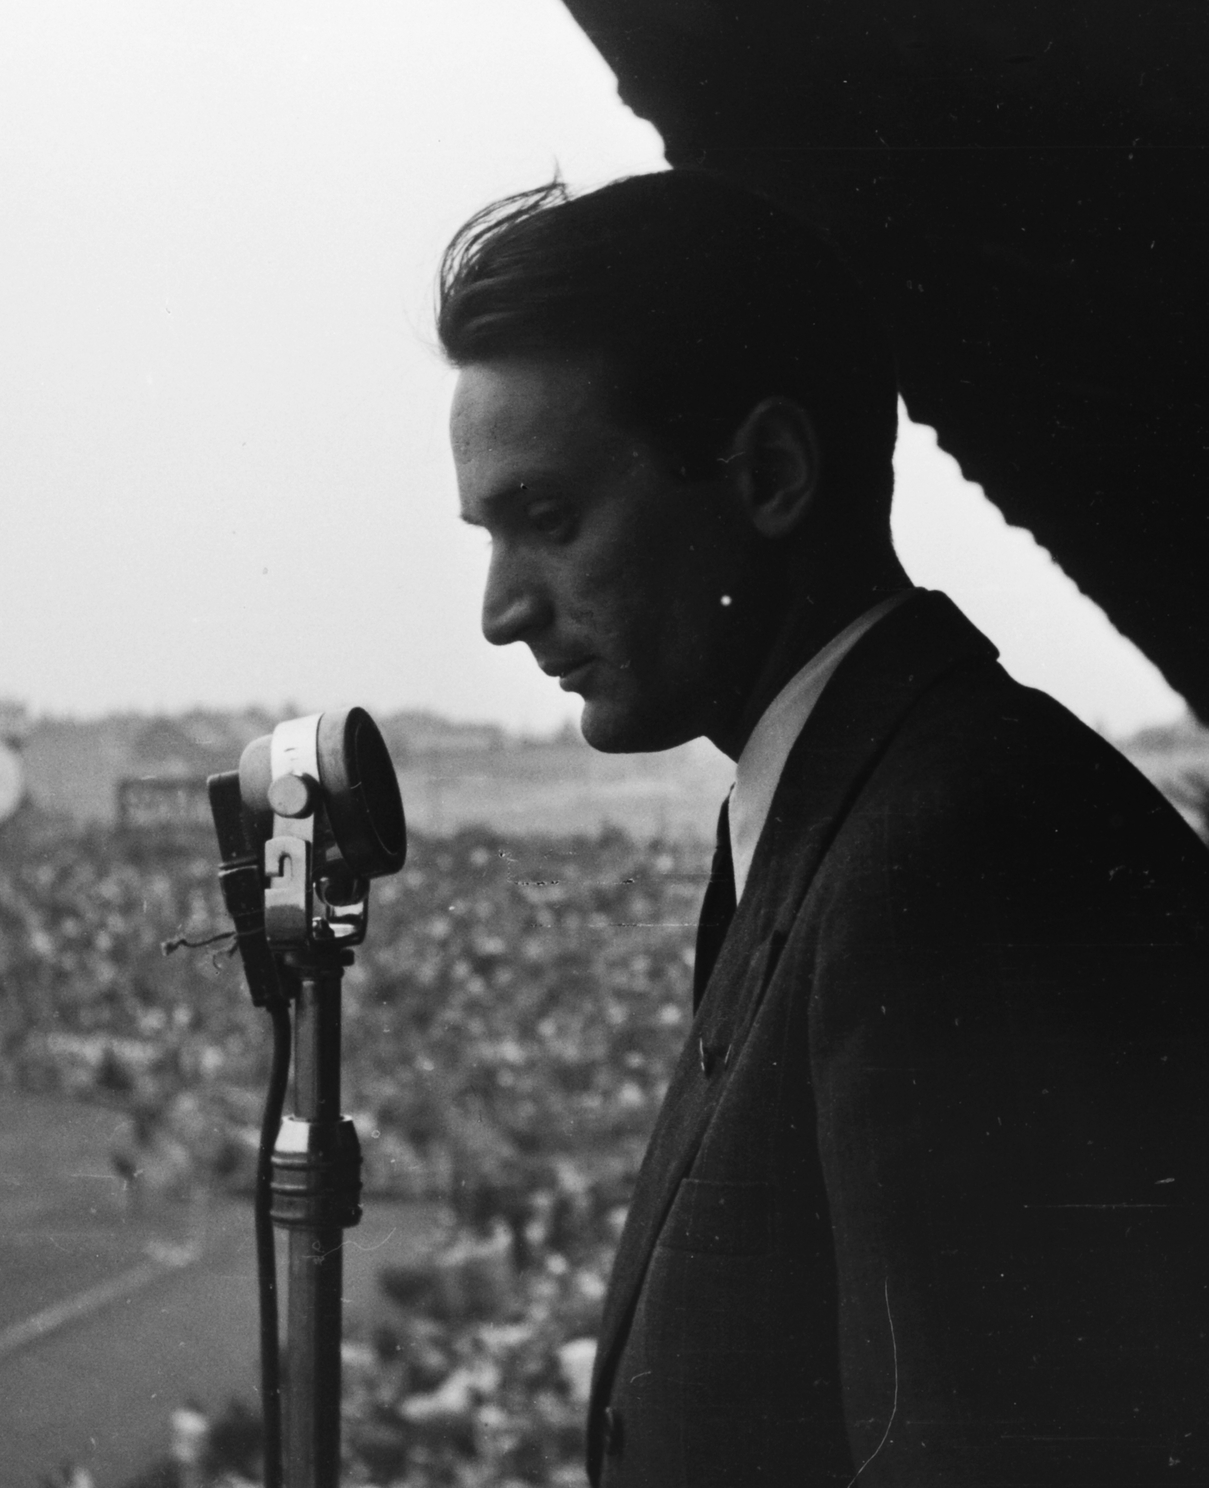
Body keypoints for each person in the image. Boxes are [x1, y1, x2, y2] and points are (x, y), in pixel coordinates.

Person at [437, 170, 1209, 1486]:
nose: (503, 609)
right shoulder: (876, 810)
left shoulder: (953, 861)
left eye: (549, 520)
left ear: (774, 476)